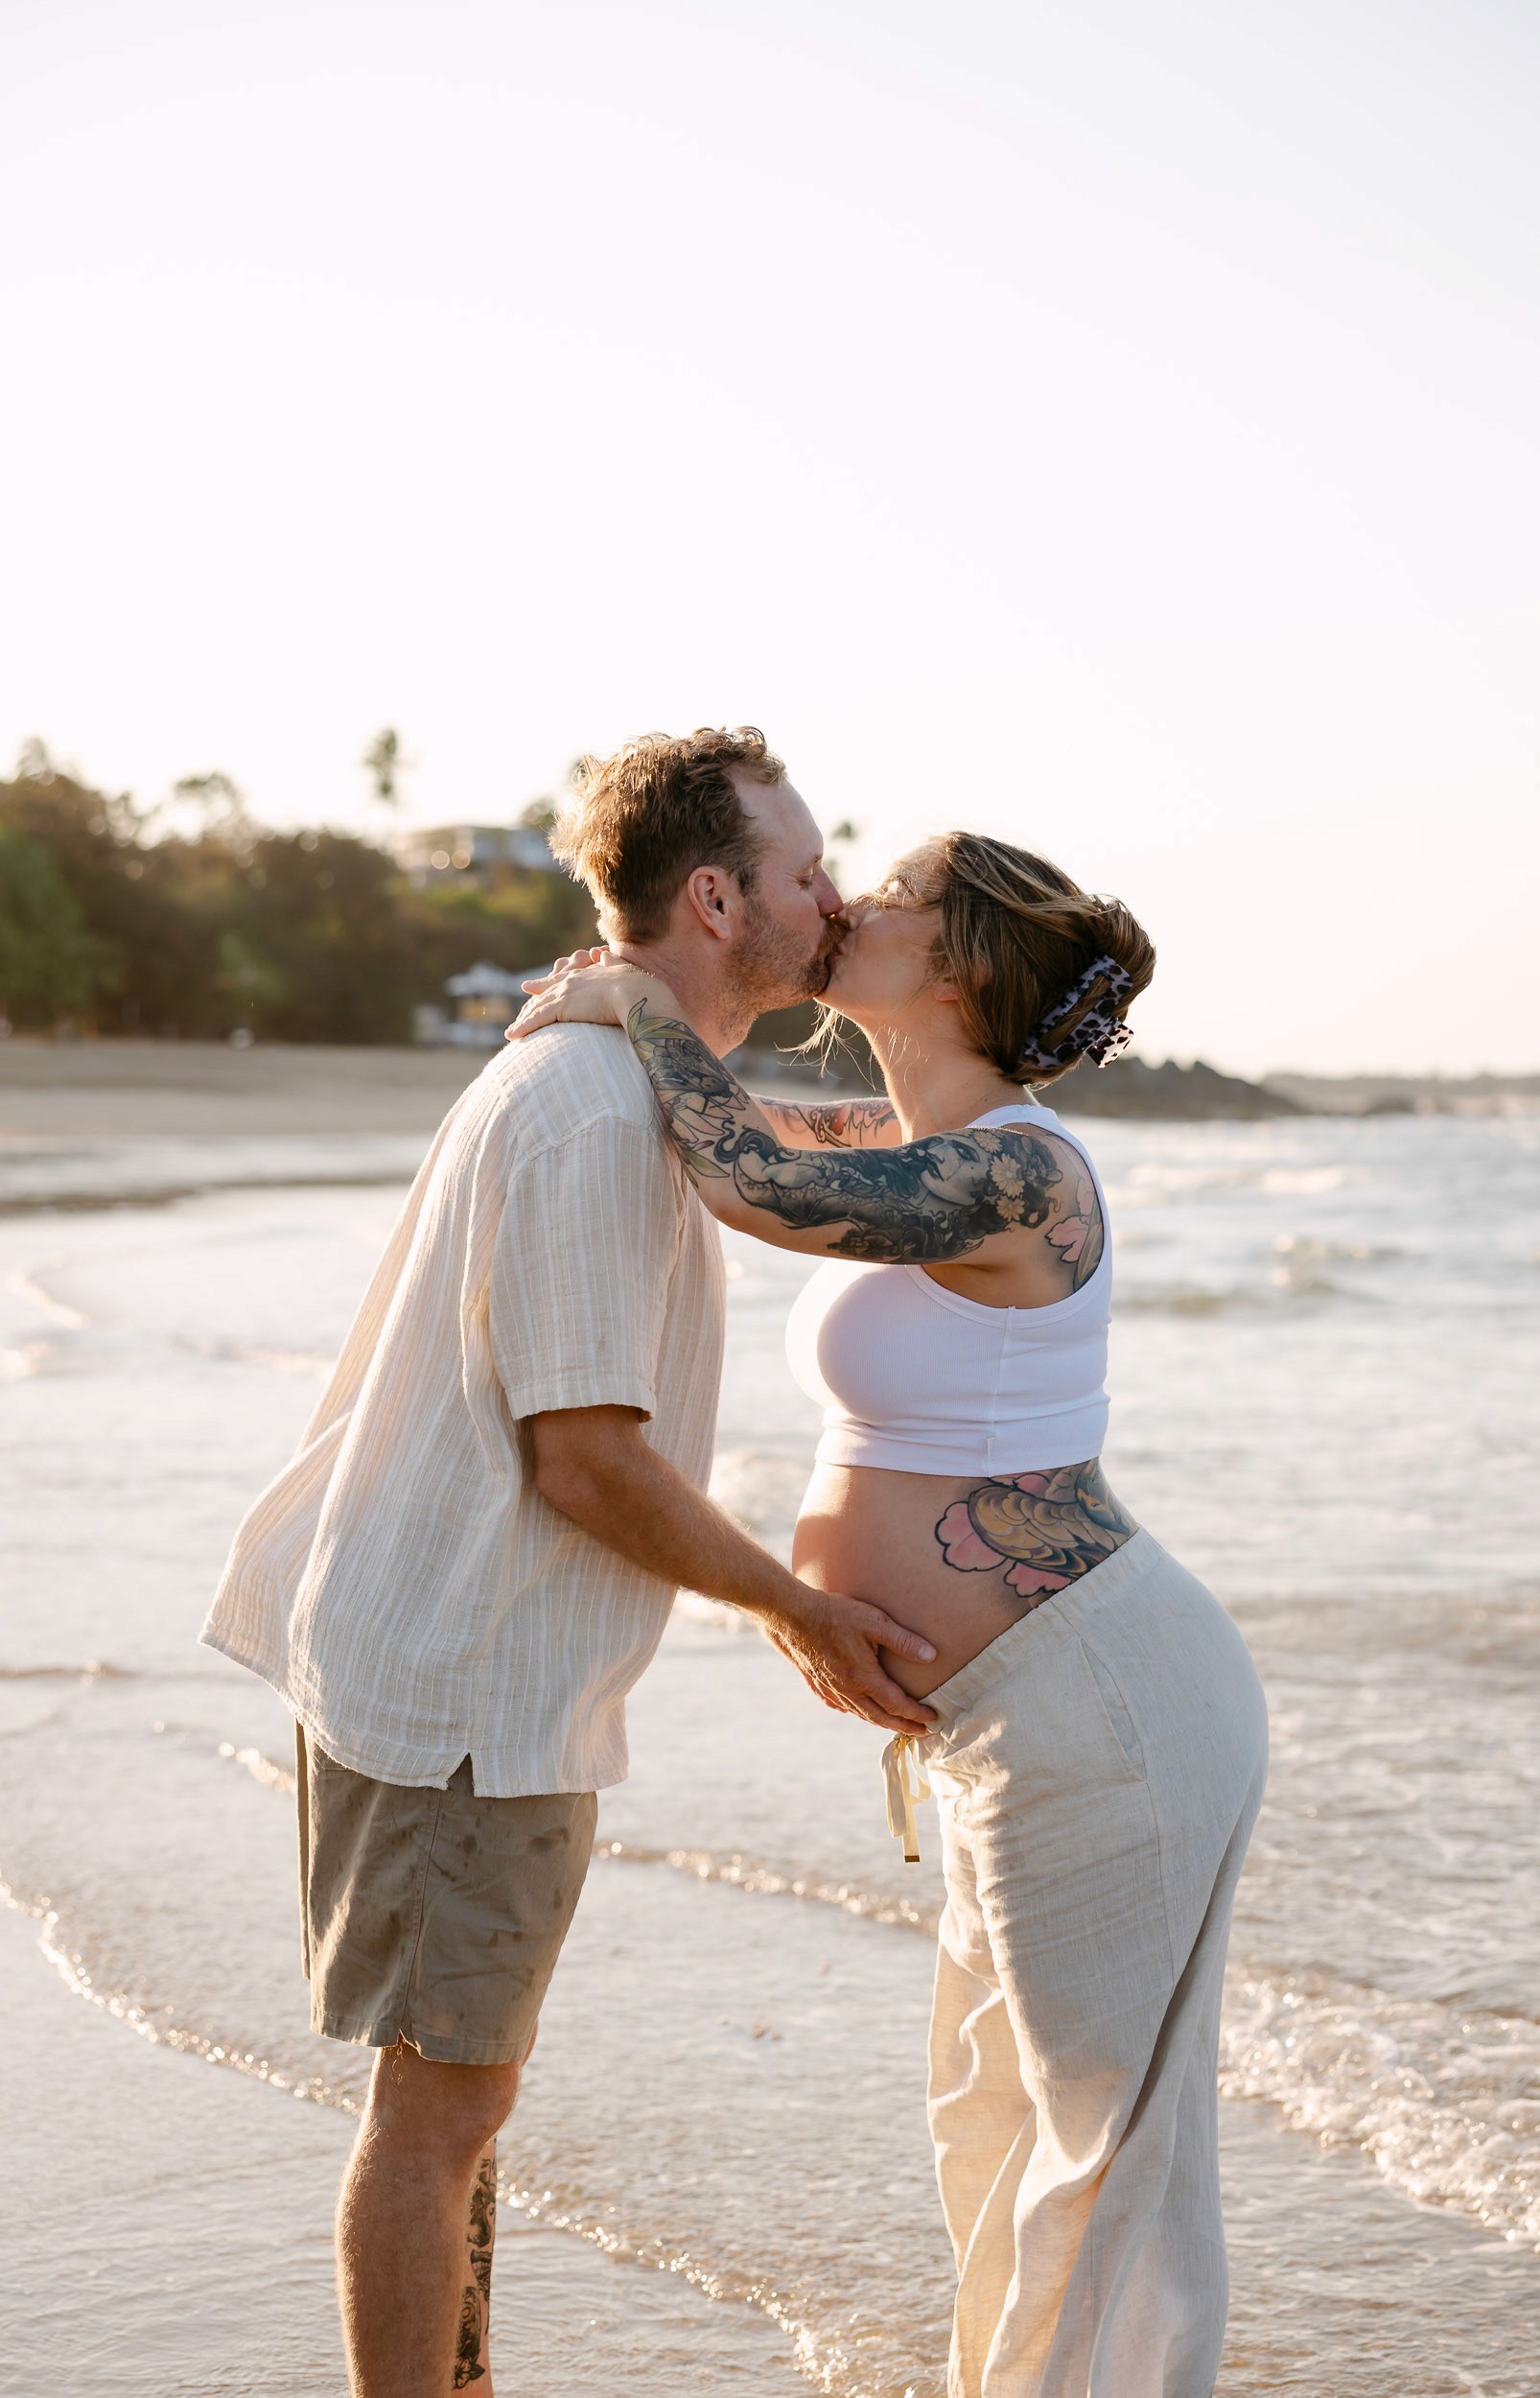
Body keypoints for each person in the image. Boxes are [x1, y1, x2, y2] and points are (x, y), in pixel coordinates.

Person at [200, 726, 937, 2398]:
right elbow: (585, 1460)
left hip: (455, 1659)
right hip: (469, 1677)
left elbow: (799, 1150)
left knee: (459, 2094)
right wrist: (800, 1609)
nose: (830, 899)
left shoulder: (634, 1079)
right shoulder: (595, 1111)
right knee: (439, 2109)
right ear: (713, 897)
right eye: (806, 873)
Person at [508, 832, 1270, 2398]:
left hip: (1105, 1701)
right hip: (1024, 1717)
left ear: (960, 962)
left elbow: (757, 1180)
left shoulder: (1022, 1164)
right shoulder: (917, 1127)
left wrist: (630, 997)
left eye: (894, 896)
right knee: (993, 2115)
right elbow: (741, 1137)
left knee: (1102, 2144)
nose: (850, 901)